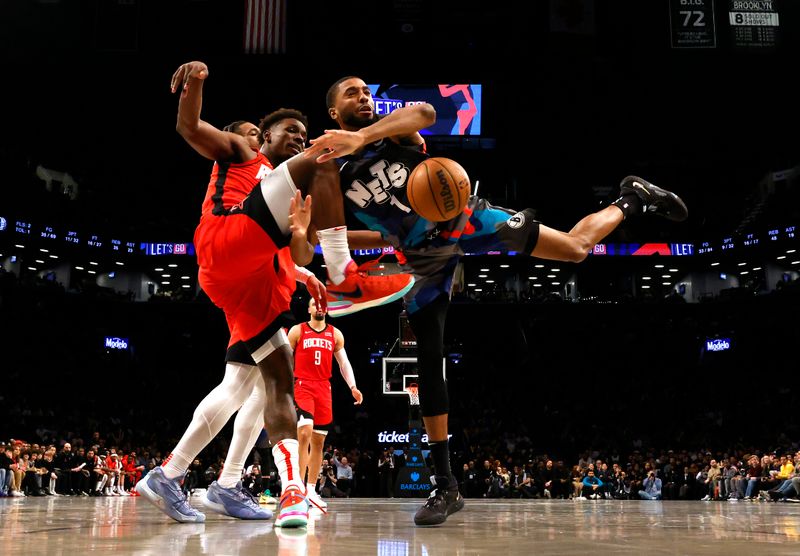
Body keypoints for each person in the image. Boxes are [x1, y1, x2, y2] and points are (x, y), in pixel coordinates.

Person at [305, 76, 688, 525]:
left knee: (574, 249)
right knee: (428, 359)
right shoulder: (330, 168)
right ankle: (445, 486)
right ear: (332, 112)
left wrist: (362, 136)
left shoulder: (391, 129)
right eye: (352, 94)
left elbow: (427, 114)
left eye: (366, 91)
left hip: (467, 218)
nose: (363, 98)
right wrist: (356, 236)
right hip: (423, 257)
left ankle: (631, 198)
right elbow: (341, 233)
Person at [136, 61, 329, 528]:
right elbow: (189, 126)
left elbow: (282, 244)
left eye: (304, 131)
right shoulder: (247, 155)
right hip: (229, 256)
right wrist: (197, 82)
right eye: (291, 130)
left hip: (253, 279)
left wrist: (304, 275)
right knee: (274, 379)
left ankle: (223, 483)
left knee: (247, 386)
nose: (299, 136)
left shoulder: (277, 189)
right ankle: (172, 474)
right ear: (261, 137)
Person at [288, 297, 363, 512]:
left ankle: (311, 491)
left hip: (324, 388)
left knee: (319, 442)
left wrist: (353, 387)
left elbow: (343, 363)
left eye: (323, 305)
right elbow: (284, 357)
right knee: (304, 433)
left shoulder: (335, 334)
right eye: (315, 304)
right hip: (303, 385)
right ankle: (297, 489)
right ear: (309, 308)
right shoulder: (297, 331)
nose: (319, 307)